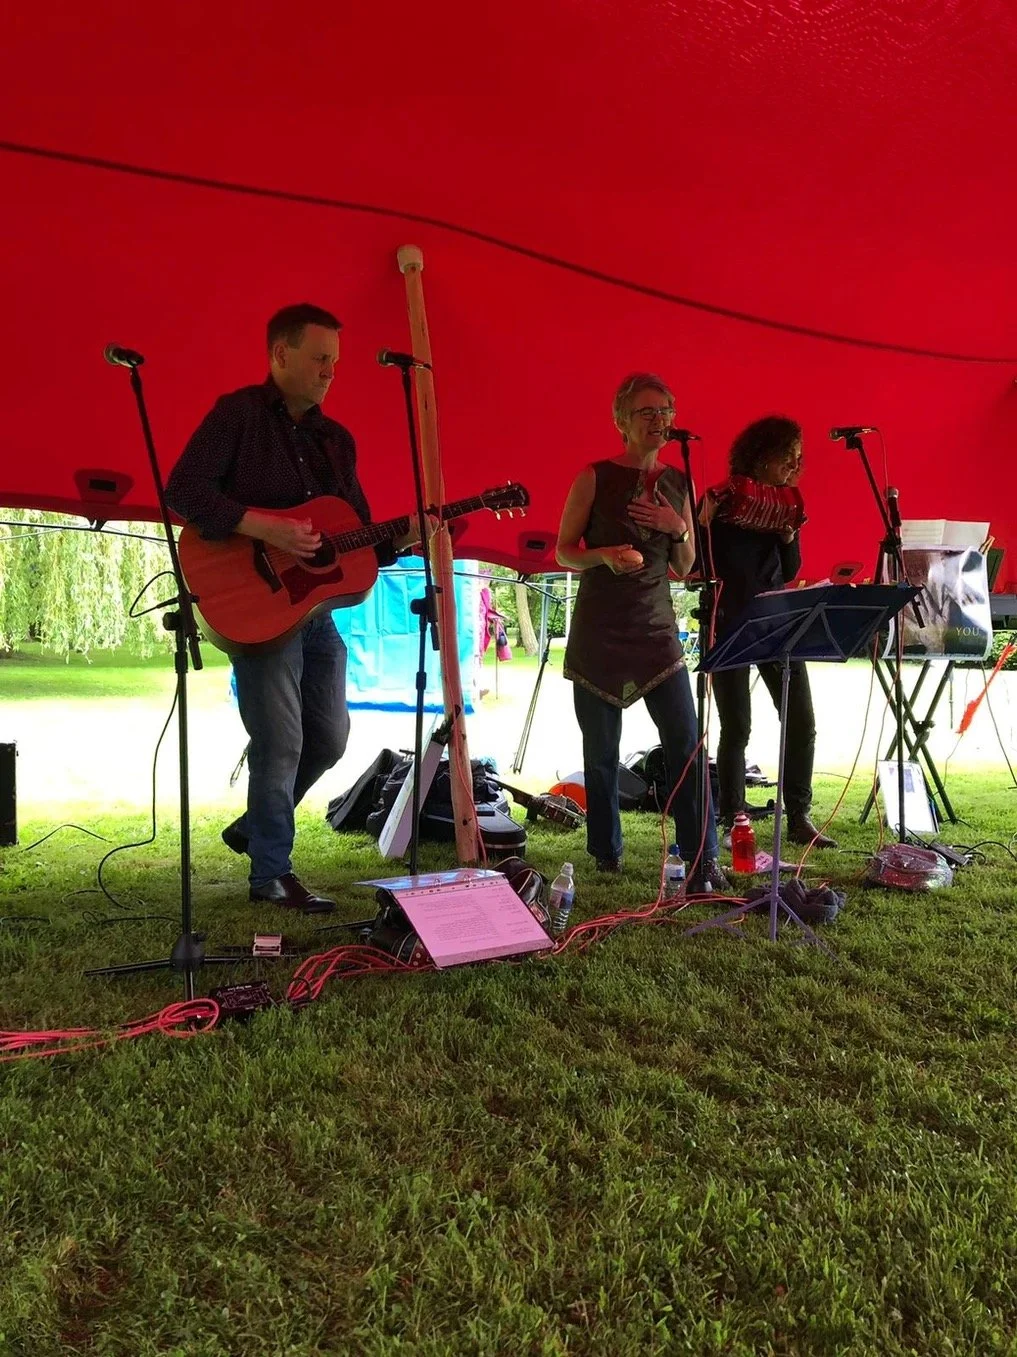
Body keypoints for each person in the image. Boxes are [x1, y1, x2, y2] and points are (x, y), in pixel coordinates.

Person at [166, 302, 423, 913]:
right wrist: (266, 530)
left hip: (312, 611)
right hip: (254, 607)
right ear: (280, 355)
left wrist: (402, 536)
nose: (331, 371)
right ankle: (271, 874)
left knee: (330, 736)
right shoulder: (238, 416)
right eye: (319, 359)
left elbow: (350, 540)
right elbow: (183, 490)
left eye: (335, 361)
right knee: (280, 739)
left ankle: (256, 828)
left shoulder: (337, 441)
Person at [556, 372, 730, 892]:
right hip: (600, 630)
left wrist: (676, 525)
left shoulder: (680, 482)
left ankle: (703, 856)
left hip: (657, 630)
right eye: (648, 412)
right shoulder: (594, 476)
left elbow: (685, 565)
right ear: (621, 423)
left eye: (666, 411)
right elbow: (565, 550)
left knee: (687, 743)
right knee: (602, 751)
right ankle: (606, 852)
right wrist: (603, 556)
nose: (660, 420)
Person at [702, 415, 836, 848]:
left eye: (799, 458)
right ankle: (732, 817)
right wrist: (702, 521)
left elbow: (791, 570)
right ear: (762, 455)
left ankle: (798, 814)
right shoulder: (723, 501)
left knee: (801, 720)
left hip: (777, 621)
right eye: (787, 456)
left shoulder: (786, 505)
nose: (795, 466)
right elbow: (699, 563)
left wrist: (788, 535)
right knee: (736, 726)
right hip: (729, 623)